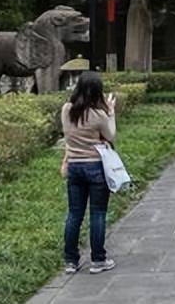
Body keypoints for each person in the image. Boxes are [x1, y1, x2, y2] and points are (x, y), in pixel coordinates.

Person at [60, 71, 117, 275]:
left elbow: (68, 137)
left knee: (74, 214)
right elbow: (110, 136)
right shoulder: (98, 114)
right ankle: (98, 260)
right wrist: (111, 112)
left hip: (74, 167)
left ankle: (70, 261)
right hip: (95, 166)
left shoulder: (66, 110)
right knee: (97, 214)